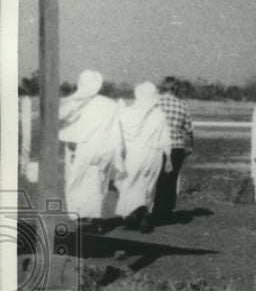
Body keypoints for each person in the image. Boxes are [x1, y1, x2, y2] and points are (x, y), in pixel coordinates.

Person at [57, 70, 125, 231]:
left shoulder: (72, 103)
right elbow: (116, 130)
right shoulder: (108, 103)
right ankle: (94, 219)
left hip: (81, 148)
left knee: (76, 182)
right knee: (97, 183)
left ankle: (82, 218)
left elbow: (61, 119)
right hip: (103, 149)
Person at [115, 82, 173, 233]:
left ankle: (135, 212)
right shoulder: (160, 115)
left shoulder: (129, 112)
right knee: (148, 185)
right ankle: (144, 212)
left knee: (129, 183)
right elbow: (165, 138)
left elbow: (119, 125)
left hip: (135, 154)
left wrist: (119, 106)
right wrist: (169, 159)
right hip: (155, 156)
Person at [152, 76, 195, 223]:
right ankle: (165, 212)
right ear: (175, 89)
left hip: (156, 146)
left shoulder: (154, 103)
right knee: (170, 180)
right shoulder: (182, 106)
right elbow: (189, 130)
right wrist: (190, 147)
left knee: (154, 179)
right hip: (176, 147)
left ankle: (152, 210)